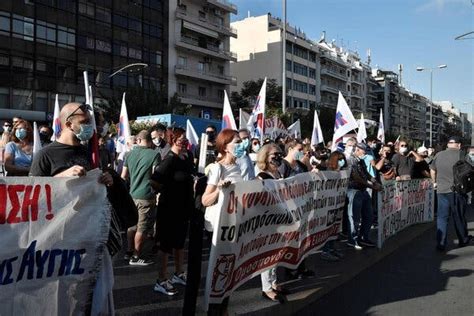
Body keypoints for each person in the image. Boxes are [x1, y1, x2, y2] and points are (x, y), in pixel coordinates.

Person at [29, 102, 115, 315]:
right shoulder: (46, 155)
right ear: (68, 124)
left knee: (85, 292)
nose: (89, 127)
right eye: (84, 122)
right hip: (59, 237)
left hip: (88, 231)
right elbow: (33, 195)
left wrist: (105, 180)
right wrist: (60, 178)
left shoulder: (89, 152)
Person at [201, 129, 244, 313]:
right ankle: (214, 310)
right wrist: (219, 190)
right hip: (219, 227)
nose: (241, 145)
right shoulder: (218, 168)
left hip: (234, 226)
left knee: (230, 271)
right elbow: (205, 200)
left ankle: (224, 309)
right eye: (237, 142)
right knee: (219, 271)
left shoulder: (238, 167)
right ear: (225, 147)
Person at [150, 128, 195, 296]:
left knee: (179, 243)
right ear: (172, 140)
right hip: (169, 209)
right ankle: (161, 280)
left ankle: (178, 273)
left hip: (184, 208)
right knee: (165, 245)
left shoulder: (188, 156)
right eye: (180, 139)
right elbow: (154, 181)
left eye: (185, 138)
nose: (183, 141)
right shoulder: (169, 159)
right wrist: (168, 190)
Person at [121, 130, 161, 266]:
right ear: (150, 140)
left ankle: (128, 251)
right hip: (146, 196)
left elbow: (123, 176)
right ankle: (136, 256)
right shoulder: (155, 154)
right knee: (142, 227)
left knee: (132, 225)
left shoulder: (129, 154)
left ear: (138, 140)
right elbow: (157, 176)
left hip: (131, 195)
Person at [255, 143, 286, 303]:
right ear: (265, 157)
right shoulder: (262, 176)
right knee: (267, 255)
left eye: (280, 154)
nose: (278, 157)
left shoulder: (277, 174)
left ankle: (273, 283)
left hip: (279, 220)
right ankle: (266, 288)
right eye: (275, 155)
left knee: (276, 254)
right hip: (268, 221)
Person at [430, 136, 472, 251]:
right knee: (458, 216)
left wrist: (434, 182)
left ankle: (441, 242)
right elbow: (470, 170)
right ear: (458, 145)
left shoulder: (438, 155)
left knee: (442, 217)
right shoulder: (462, 155)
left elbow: (432, 170)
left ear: (448, 145)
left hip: (441, 190)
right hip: (456, 191)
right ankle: (463, 239)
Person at [346, 143, 382, 249]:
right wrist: (372, 187)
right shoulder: (350, 160)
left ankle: (363, 237)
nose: (365, 152)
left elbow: (366, 173)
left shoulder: (360, 160)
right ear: (357, 150)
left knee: (369, 215)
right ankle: (353, 240)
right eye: (363, 150)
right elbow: (356, 177)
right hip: (354, 190)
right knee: (354, 217)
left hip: (363, 190)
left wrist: (374, 181)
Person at [321, 151, 347, 261]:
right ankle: (325, 251)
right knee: (328, 227)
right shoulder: (329, 172)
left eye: (343, 159)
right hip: (329, 205)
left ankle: (331, 248)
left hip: (338, 203)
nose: (342, 161)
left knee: (334, 227)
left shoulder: (342, 172)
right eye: (340, 159)